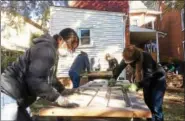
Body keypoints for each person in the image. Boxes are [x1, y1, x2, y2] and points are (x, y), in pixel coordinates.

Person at [1, 28, 79, 121]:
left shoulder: (50, 50)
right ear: (60, 40)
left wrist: (62, 90)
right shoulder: (46, 50)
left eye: (72, 49)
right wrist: (57, 98)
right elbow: (35, 81)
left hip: (17, 95)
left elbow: (50, 78)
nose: (69, 51)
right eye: (69, 47)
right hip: (9, 93)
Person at [113, 45, 166, 121]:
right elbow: (120, 67)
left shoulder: (146, 56)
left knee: (155, 107)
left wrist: (137, 85)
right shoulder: (128, 55)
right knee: (148, 104)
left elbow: (149, 77)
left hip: (158, 80)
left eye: (128, 61)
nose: (126, 62)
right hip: (147, 80)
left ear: (135, 59)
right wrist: (113, 77)